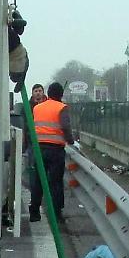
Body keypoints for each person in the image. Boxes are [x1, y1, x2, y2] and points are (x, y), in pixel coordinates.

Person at [29, 81, 74, 223]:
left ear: (48, 93)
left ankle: (34, 213)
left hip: (39, 148)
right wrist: (71, 141)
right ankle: (56, 214)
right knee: (55, 183)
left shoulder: (37, 108)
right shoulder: (62, 108)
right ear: (61, 94)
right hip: (56, 150)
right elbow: (66, 127)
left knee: (38, 181)